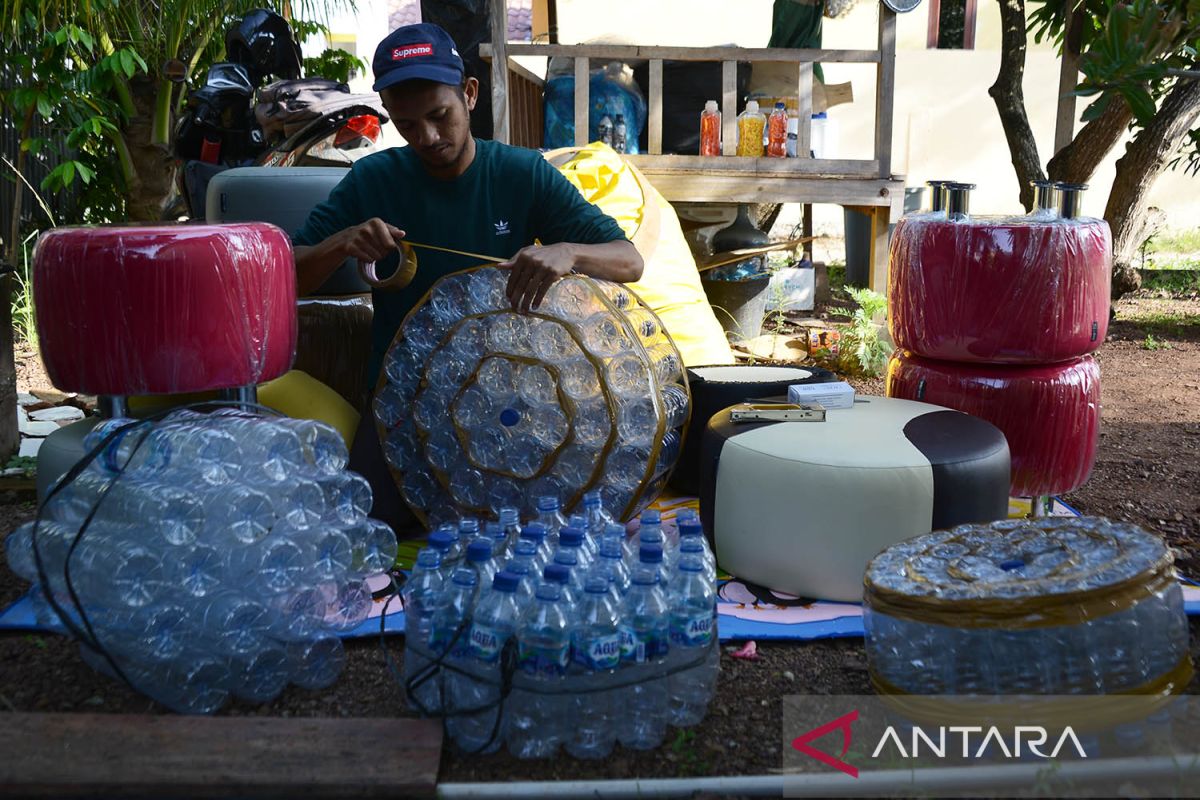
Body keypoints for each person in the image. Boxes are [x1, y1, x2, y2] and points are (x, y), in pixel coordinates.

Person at [291, 22, 643, 532]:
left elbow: (629, 261)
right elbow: (288, 276)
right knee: (374, 533)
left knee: (550, 534)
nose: (429, 138)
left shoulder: (522, 174)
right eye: (409, 126)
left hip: (514, 400)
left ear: (470, 95)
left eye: (440, 116)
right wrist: (340, 244)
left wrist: (567, 251)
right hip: (404, 405)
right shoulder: (373, 179)